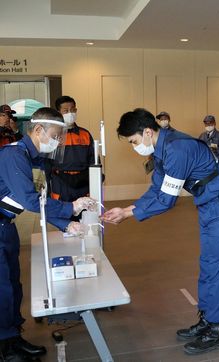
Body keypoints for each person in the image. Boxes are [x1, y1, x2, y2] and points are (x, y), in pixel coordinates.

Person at [101, 108, 219, 355]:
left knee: (218, 268)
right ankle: (206, 319)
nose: (134, 147)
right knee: (208, 264)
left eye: (134, 141)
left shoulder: (177, 149)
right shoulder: (162, 149)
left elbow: (167, 200)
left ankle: (216, 329)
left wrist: (129, 214)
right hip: (210, 205)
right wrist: (128, 208)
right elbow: (157, 188)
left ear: (147, 132)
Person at [0, 107, 91, 361]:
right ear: (38, 130)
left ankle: (12, 336)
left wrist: (65, 224)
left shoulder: (33, 159)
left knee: (13, 284)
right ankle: (7, 348)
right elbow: (31, 201)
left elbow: (39, 199)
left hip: (6, 226)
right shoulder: (13, 156)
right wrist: (70, 208)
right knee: (3, 287)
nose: (59, 141)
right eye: (55, 134)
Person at [46, 96, 95, 204]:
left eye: (72, 110)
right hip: (60, 183)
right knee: (63, 215)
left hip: (82, 183)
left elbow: (94, 160)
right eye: (66, 111)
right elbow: (46, 163)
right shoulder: (53, 135)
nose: (70, 113)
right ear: (58, 112)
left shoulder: (85, 134)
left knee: (85, 213)